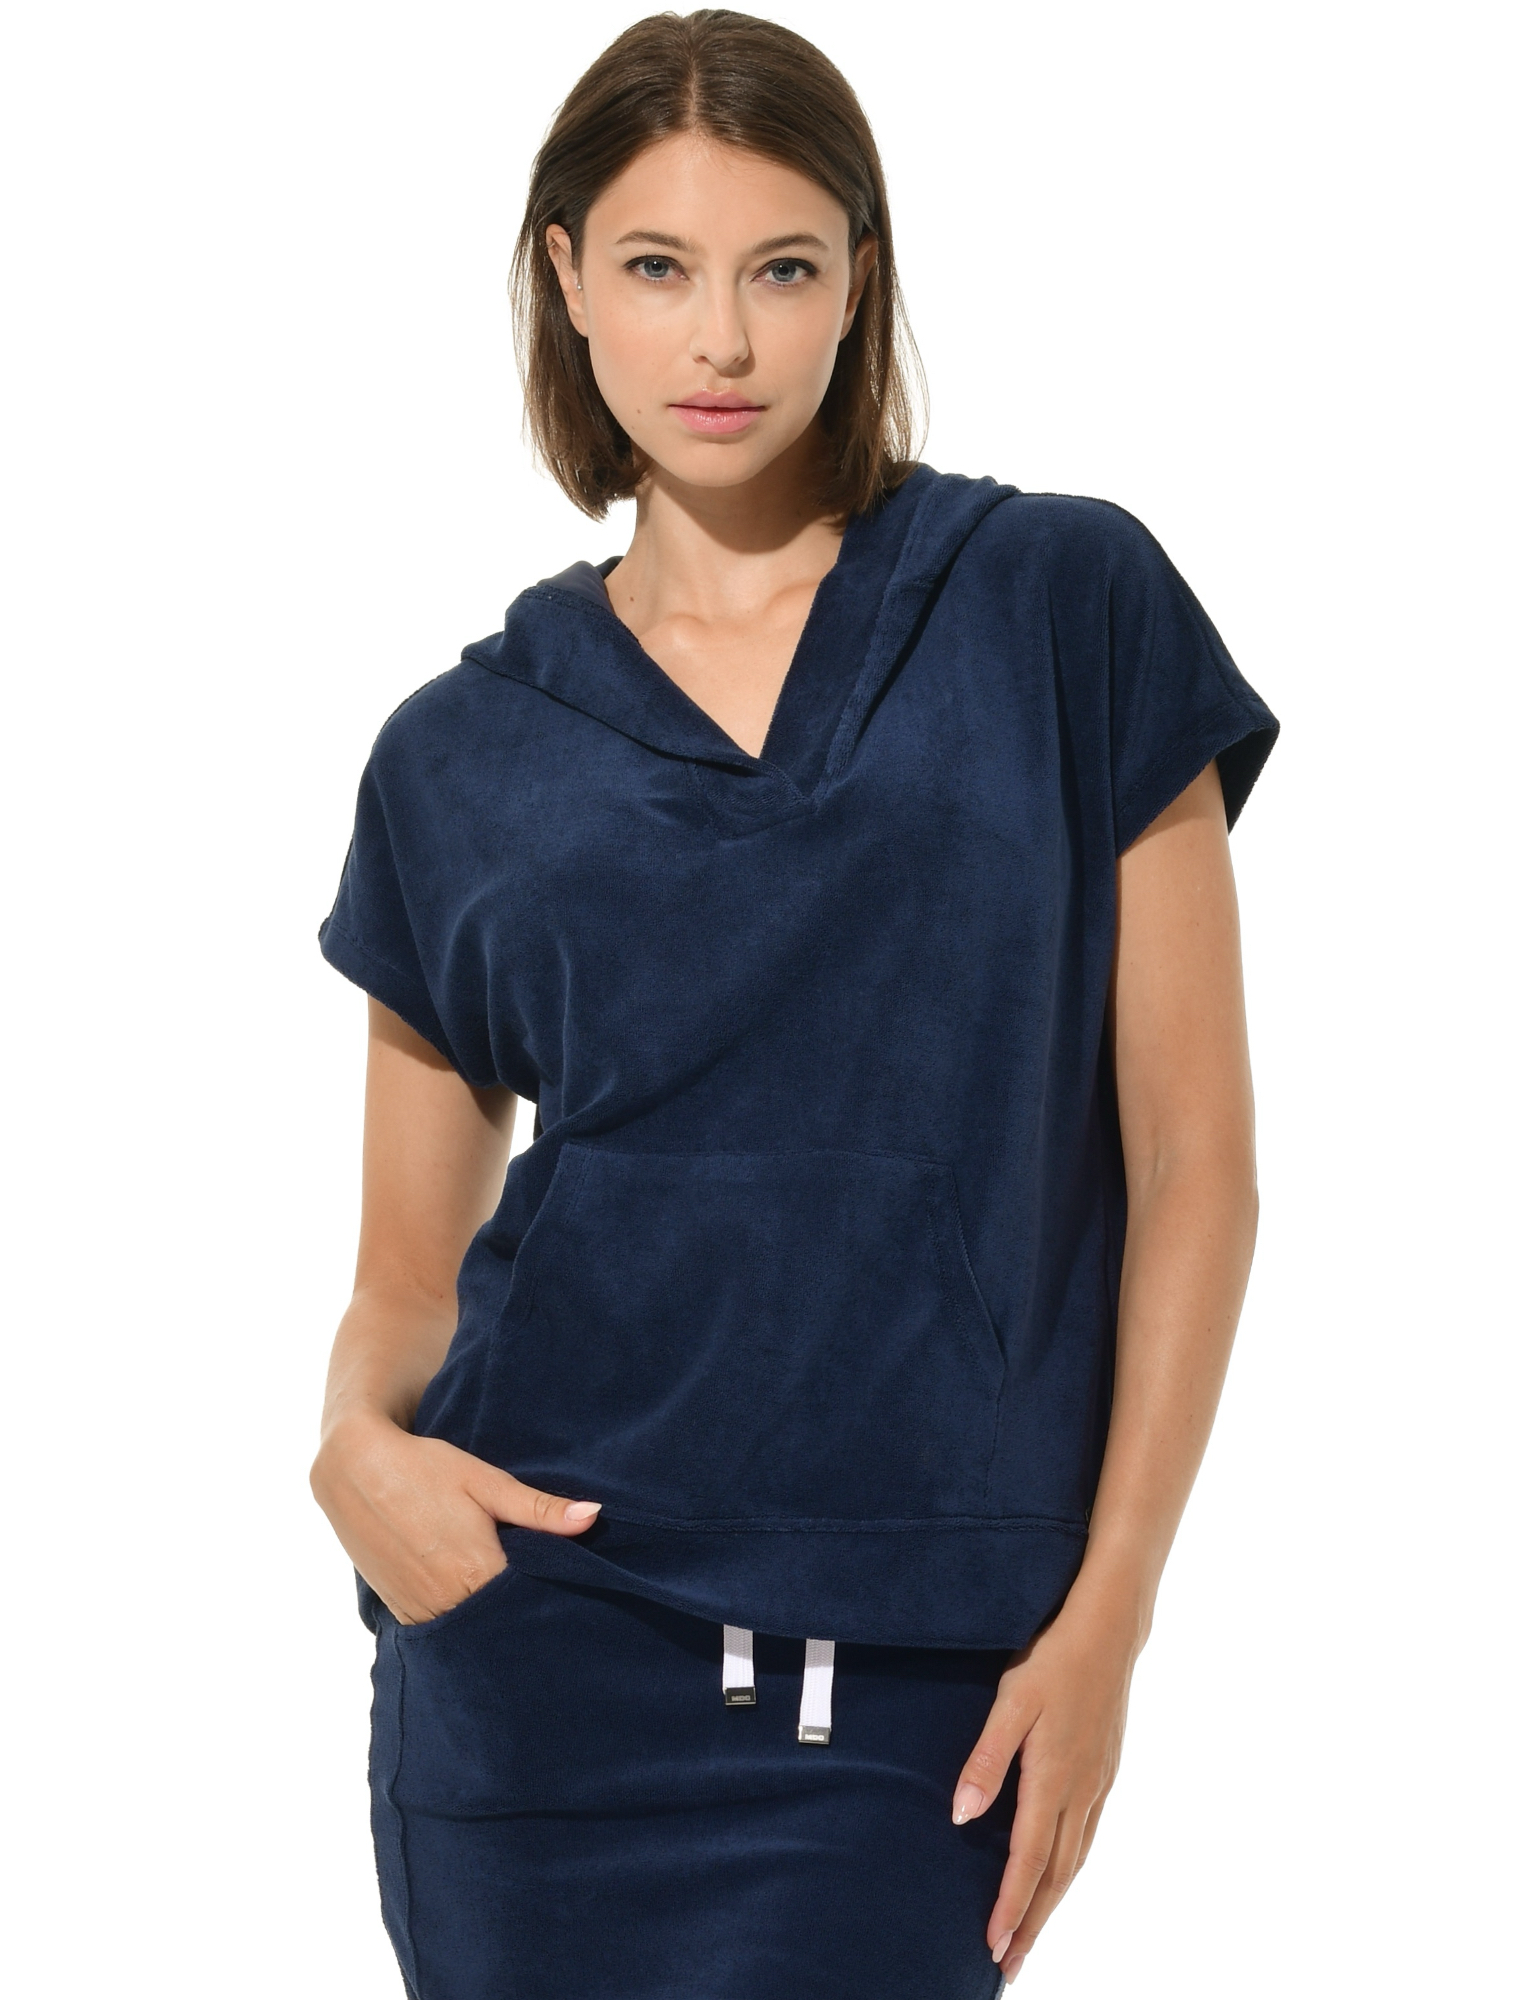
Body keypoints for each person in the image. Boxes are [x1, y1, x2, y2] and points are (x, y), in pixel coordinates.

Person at [310, 10, 1279, 1997]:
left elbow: (1195, 1162)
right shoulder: (451, 753)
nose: (721, 342)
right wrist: (353, 1448)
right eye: (657, 268)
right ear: (566, 279)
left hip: (918, 1689)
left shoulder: (1060, 603)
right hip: (527, 1669)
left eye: (779, 269)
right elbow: (406, 1276)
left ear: (858, 277)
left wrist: (1109, 1618)